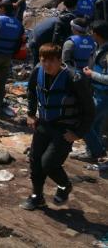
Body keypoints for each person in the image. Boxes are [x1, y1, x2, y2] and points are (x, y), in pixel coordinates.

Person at [21, 44, 94, 210]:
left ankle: (64, 186)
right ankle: (37, 196)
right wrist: (31, 113)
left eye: (51, 61)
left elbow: (89, 109)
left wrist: (78, 133)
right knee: (35, 161)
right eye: (43, 60)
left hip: (64, 129)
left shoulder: (74, 78)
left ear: (59, 60)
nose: (47, 64)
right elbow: (32, 91)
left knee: (49, 163)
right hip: (44, 124)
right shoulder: (37, 71)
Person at [79, 20, 108, 162]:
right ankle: (91, 152)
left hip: (105, 95)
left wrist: (91, 74)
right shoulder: (99, 47)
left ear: (97, 34)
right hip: (98, 92)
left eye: (92, 32)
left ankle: (97, 152)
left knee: (84, 122)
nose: (90, 35)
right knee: (95, 124)